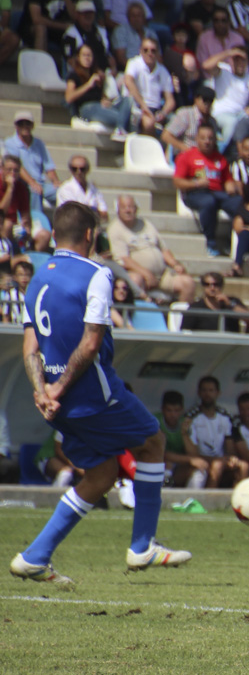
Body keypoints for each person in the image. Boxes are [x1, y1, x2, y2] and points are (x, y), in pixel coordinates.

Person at [11, 203, 191, 587]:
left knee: (103, 473)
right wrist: (59, 388)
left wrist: (42, 390)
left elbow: (30, 345)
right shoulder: (97, 274)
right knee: (154, 440)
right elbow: (91, 343)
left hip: (54, 402)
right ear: (91, 235)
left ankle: (34, 557)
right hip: (91, 393)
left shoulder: (38, 279)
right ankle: (143, 545)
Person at [107, 195, 194, 303]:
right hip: (139, 275)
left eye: (131, 207)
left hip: (162, 274)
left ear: (136, 209)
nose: (128, 210)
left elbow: (163, 249)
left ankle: (181, 318)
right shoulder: (115, 229)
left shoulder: (146, 224)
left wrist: (175, 264)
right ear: (118, 210)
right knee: (134, 280)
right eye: (124, 207)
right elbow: (124, 260)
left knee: (188, 283)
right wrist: (146, 274)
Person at [173, 124, 238, 257]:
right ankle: (211, 242)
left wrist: (230, 185)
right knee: (209, 203)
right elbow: (177, 182)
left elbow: (228, 180)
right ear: (197, 139)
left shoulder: (220, 158)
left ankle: (235, 240)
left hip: (218, 192)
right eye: (203, 138)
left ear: (215, 140)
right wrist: (196, 183)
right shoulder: (187, 156)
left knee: (239, 204)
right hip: (195, 192)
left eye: (210, 138)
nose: (207, 141)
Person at [66, 44, 133, 138]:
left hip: (99, 106)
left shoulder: (96, 75)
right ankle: (122, 127)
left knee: (127, 100)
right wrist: (88, 85)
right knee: (124, 117)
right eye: (84, 55)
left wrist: (106, 100)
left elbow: (100, 96)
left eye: (89, 55)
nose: (87, 58)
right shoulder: (74, 75)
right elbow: (69, 98)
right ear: (78, 57)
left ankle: (120, 128)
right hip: (86, 108)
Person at [4, 112, 60, 214]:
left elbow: (49, 166)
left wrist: (56, 181)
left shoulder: (39, 143)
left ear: (32, 126)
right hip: (23, 183)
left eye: (27, 123)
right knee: (34, 191)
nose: (25, 126)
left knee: (62, 191)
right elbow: (18, 167)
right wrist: (32, 182)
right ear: (16, 126)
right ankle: (36, 221)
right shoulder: (10, 143)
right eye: (21, 123)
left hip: (41, 182)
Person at [123, 37, 176, 137]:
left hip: (156, 109)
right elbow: (128, 82)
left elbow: (170, 100)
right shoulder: (134, 63)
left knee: (177, 123)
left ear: (158, 53)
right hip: (137, 107)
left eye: (153, 50)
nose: (149, 53)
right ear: (140, 51)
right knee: (149, 123)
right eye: (145, 50)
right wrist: (144, 106)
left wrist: (163, 113)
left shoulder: (163, 71)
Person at [182, 272, 249, 332]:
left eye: (216, 284)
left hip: (230, 343)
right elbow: (185, 331)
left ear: (221, 286)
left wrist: (229, 304)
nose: (212, 288)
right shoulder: (195, 308)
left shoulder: (233, 302)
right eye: (207, 284)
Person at [163, 86, 217, 153]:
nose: (207, 104)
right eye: (205, 100)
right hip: (185, 155)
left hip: (205, 158)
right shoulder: (185, 114)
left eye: (210, 101)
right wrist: (185, 149)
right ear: (196, 99)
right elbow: (166, 136)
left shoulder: (212, 121)